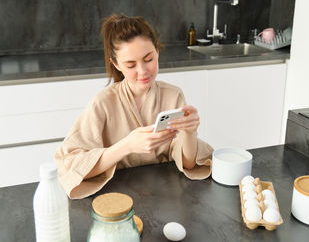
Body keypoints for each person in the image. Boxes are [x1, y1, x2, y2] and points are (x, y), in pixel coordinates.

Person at [54, 14, 213, 199]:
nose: (143, 71)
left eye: (148, 59)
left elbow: (189, 164)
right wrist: (126, 146)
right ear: (117, 64)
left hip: (166, 197)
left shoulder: (173, 95)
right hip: (114, 200)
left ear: (157, 52)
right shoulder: (103, 103)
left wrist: (190, 132)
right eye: (130, 65)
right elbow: (69, 168)